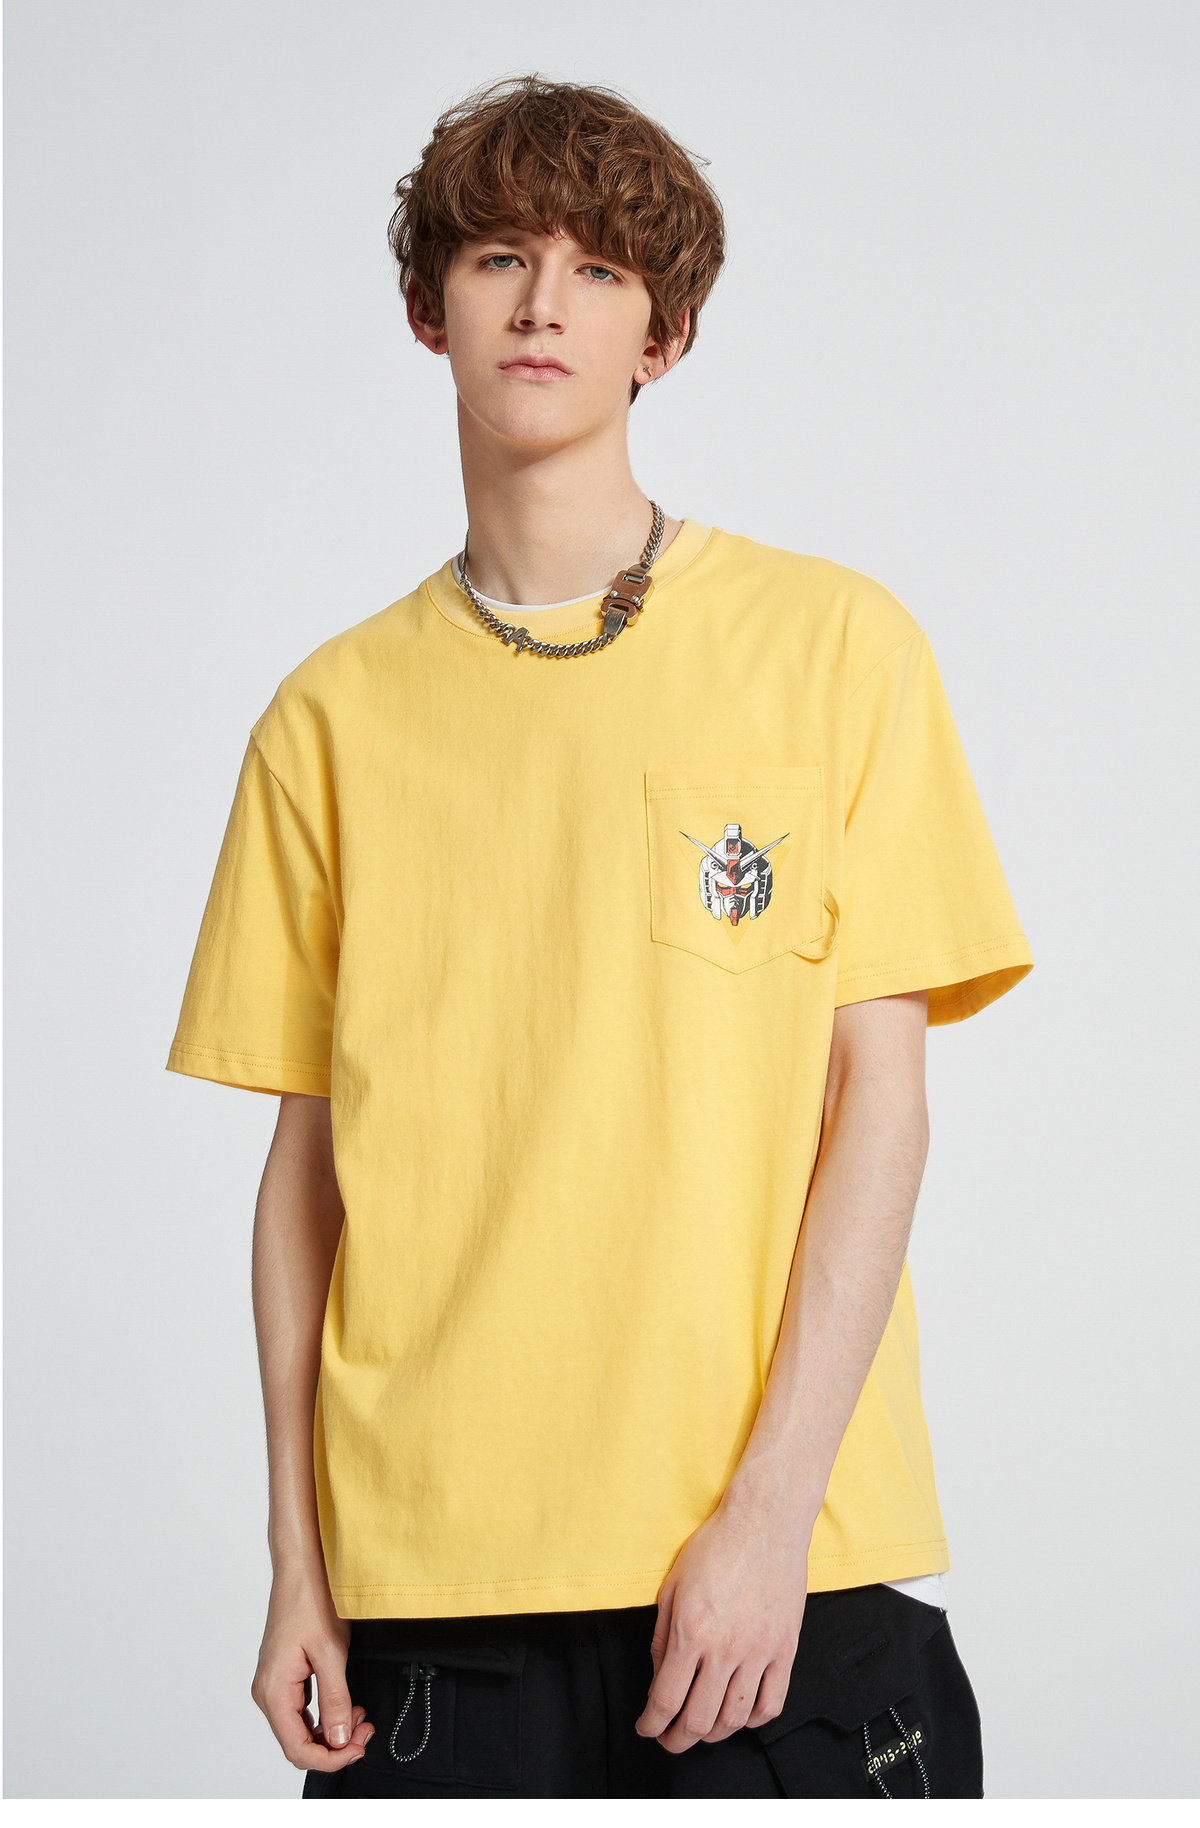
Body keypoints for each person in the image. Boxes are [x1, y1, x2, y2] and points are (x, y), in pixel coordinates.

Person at [165, 73, 1034, 1799]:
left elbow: (879, 1104)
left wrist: (771, 1512)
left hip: (783, 1579)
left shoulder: (834, 649)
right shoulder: (329, 719)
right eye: (499, 258)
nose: (544, 304)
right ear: (430, 310)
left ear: (666, 334)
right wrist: (297, 1563)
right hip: (434, 1605)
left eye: (598, 269)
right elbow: (306, 1177)